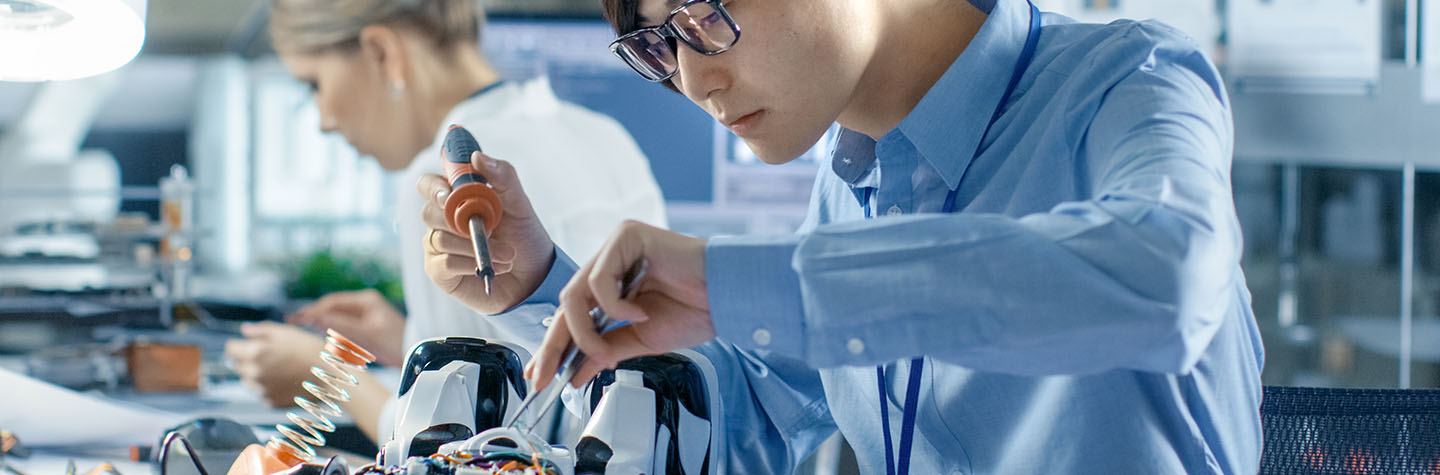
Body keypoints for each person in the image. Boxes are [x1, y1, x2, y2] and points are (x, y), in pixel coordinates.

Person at [422, 0, 1265, 472]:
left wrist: (734, 281)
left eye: (708, 14)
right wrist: (541, 283)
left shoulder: (1127, 78)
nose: (695, 78)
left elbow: (1165, 275)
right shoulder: (857, 178)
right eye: (661, 44)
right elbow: (753, 414)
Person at [223, 0, 667, 443]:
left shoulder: (444, 186)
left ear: (382, 51)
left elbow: (447, 446)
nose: (323, 121)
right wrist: (408, 345)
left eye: (313, 84)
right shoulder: (604, 136)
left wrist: (328, 376)